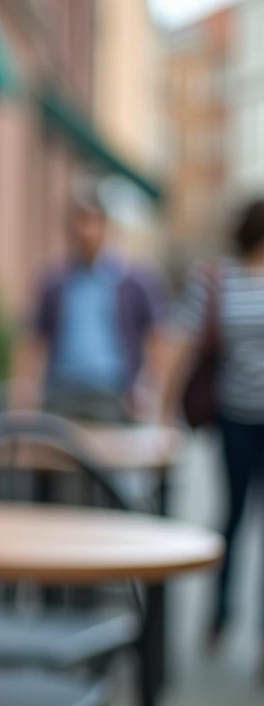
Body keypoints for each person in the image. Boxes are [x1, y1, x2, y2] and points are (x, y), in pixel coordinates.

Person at [167, 199, 264, 680]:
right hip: (235, 418)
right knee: (232, 516)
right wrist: (165, 410)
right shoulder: (219, 279)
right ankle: (221, 615)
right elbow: (184, 340)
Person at [13, 192, 168, 422]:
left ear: (106, 226)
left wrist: (150, 388)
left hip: (113, 393)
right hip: (61, 392)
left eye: (94, 222)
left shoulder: (133, 281)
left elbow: (157, 337)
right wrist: (25, 392)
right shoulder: (54, 281)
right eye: (81, 222)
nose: (88, 231)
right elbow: (33, 340)